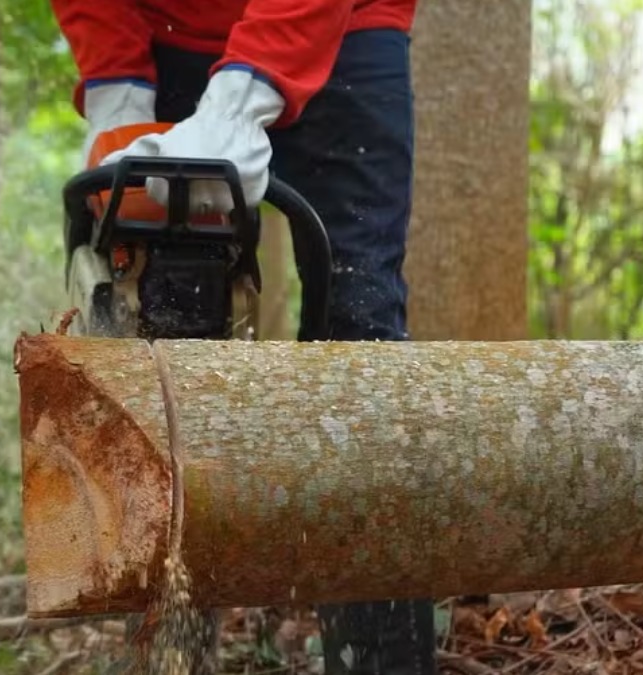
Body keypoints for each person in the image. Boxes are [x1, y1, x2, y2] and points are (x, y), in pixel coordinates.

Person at [48, 2, 436, 674]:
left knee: (358, 328)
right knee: (169, 339)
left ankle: (379, 656)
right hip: (166, 32)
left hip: (349, 28)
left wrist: (241, 99)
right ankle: (172, 649)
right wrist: (119, 90)